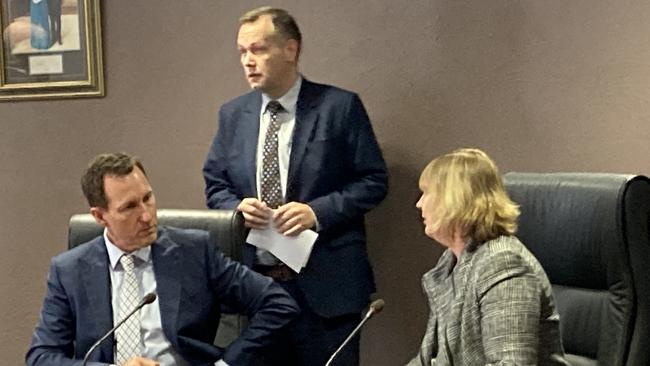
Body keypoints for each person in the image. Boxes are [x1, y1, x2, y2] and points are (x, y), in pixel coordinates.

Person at [202, 6, 388, 365]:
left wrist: (316, 212)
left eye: (258, 49)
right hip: (256, 288)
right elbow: (215, 185)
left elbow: (374, 180)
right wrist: (236, 209)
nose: (248, 61)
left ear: (291, 49)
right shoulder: (233, 115)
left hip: (326, 288)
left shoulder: (339, 107)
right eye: (242, 52)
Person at [26, 153, 299, 366]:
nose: (146, 215)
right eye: (129, 207)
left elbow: (277, 304)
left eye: (148, 198)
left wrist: (226, 362)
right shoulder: (69, 270)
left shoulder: (194, 251)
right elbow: (42, 356)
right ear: (100, 216)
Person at [408, 148, 569, 366]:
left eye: (427, 193)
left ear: (454, 200)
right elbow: (429, 359)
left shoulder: (503, 263)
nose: (419, 204)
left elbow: (511, 363)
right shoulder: (450, 263)